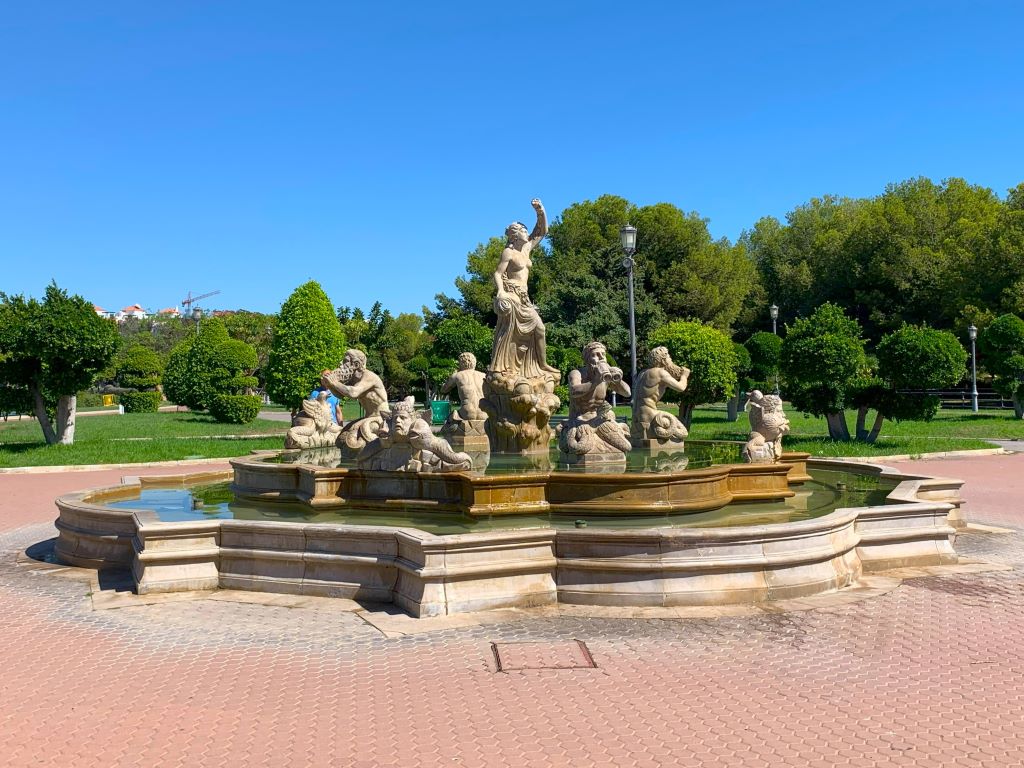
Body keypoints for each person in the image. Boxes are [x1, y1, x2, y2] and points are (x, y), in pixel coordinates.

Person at [490, 199, 561, 380]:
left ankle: (542, 364)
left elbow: (542, 230)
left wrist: (540, 210)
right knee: (510, 334)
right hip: (512, 295)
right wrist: (501, 292)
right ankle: (504, 366)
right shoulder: (509, 253)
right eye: (522, 230)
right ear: (514, 235)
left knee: (540, 329)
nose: (526, 232)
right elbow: (498, 273)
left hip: (525, 298)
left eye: (525, 229)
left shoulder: (526, 249)